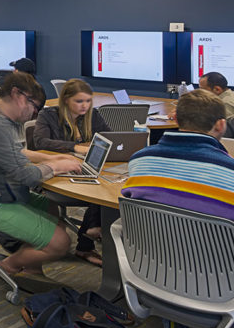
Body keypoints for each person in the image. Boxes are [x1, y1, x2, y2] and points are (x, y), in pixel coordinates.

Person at [0, 72, 84, 276]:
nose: (34, 114)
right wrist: (58, 167)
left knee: (51, 204)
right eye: (35, 107)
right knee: (61, 242)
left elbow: (15, 153)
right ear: (18, 95)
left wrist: (51, 160)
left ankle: (31, 267)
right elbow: (25, 177)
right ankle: (11, 265)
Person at [32, 78, 112, 266]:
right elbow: (41, 142)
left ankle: (91, 233)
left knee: (108, 188)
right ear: (66, 100)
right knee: (100, 192)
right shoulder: (49, 115)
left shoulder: (94, 115)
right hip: (55, 174)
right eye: (79, 101)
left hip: (80, 167)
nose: (84, 106)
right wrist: (76, 147)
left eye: (88, 101)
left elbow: (108, 137)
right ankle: (88, 238)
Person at [123, 89, 234, 220]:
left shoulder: (139, 160)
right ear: (221, 125)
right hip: (214, 240)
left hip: (151, 238)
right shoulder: (229, 170)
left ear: (175, 119)